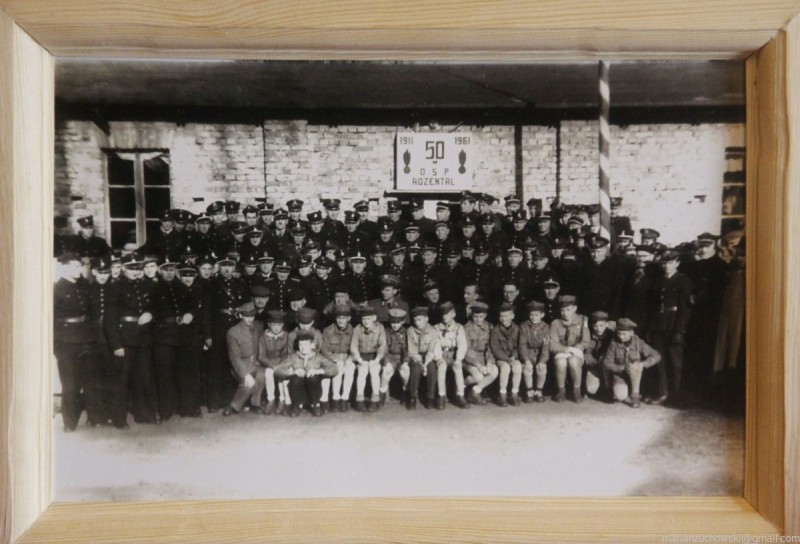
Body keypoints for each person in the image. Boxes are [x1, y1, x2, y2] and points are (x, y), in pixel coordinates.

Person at [105, 253, 157, 424]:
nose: (135, 271)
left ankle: (143, 415)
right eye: (131, 268)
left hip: (143, 339)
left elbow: (154, 307)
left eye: (137, 268)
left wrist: (150, 314)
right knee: (122, 380)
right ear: (124, 268)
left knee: (143, 378)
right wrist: (116, 345)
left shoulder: (145, 285)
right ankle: (119, 419)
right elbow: (110, 319)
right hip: (125, 339)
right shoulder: (115, 287)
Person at [54, 252, 94, 431]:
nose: (78, 269)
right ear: (64, 267)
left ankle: (93, 417)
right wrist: (57, 348)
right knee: (70, 384)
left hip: (85, 339)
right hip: (66, 342)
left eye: (80, 266)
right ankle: (69, 423)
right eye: (74, 266)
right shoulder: (56, 289)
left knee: (89, 380)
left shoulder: (84, 285)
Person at [151, 259, 195, 421]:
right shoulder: (155, 288)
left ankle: (185, 408)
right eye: (166, 270)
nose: (169, 273)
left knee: (184, 373)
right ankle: (165, 411)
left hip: (182, 335)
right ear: (160, 271)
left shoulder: (182, 287)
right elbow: (151, 311)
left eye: (171, 269)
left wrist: (190, 314)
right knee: (164, 375)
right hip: (163, 336)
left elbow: (192, 306)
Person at [647, 249, 692, 405]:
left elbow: (684, 308)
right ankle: (662, 393)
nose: (666, 266)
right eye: (664, 263)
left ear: (677, 263)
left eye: (670, 263)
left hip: (673, 326)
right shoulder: (658, 281)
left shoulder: (683, 280)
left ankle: (677, 395)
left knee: (675, 363)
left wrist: (679, 330)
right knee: (660, 361)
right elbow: (653, 306)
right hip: (658, 325)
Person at [275, 330, 338, 417]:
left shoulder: (317, 357)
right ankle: (297, 405)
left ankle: (315, 405)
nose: (303, 347)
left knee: (313, 378)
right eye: (300, 345)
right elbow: (277, 370)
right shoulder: (294, 357)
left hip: (313, 390)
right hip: (299, 391)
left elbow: (334, 368)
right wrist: (292, 372)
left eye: (305, 344)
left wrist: (318, 371)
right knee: (295, 379)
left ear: (312, 345)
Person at [602, 318, 661, 408]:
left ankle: (635, 396)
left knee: (635, 366)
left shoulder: (638, 343)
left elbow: (657, 355)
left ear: (631, 333)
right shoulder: (614, 343)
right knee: (620, 395)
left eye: (624, 334)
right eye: (619, 333)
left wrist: (643, 364)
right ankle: (622, 391)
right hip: (621, 375)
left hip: (636, 375)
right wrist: (622, 368)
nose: (621, 337)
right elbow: (607, 362)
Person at [223, 302, 267, 416]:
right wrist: (245, 374)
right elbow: (234, 357)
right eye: (247, 316)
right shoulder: (233, 332)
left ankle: (256, 404)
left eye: (252, 316)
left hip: (256, 364)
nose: (250, 319)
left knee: (262, 375)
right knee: (248, 384)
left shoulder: (258, 326)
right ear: (240, 315)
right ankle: (234, 406)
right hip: (241, 364)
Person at [549, 295, 590, 403]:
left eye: (568, 310)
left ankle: (577, 390)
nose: (565, 313)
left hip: (577, 353)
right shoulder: (555, 323)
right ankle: (561, 390)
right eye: (562, 310)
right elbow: (553, 345)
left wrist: (576, 349)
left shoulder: (582, 320)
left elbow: (585, 341)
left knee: (573, 361)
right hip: (562, 352)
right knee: (561, 362)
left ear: (575, 308)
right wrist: (568, 349)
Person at [349, 306, 388, 412]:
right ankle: (360, 399)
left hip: (375, 356)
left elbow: (382, 345)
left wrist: (377, 359)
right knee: (362, 372)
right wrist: (359, 360)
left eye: (368, 319)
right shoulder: (357, 329)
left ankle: (375, 399)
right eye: (363, 319)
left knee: (374, 371)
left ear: (374, 318)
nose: (366, 322)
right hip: (362, 356)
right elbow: (353, 346)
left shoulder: (380, 328)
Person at [406, 306, 444, 409]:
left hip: (428, 356)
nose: (417, 323)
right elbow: (412, 350)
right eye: (415, 320)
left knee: (431, 368)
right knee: (416, 368)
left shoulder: (432, 331)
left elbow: (431, 350)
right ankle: (412, 397)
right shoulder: (410, 331)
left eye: (419, 320)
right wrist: (420, 363)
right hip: (415, 356)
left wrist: (426, 364)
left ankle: (430, 397)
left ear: (426, 319)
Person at [320, 305, 356, 412]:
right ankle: (336, 398)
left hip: (347, 358)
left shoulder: (353, 331)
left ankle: (344, 398)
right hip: (331, 358)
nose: (341, 321)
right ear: (335, 319)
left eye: (344, 318)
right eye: (339, 318)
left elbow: (355, 348)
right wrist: (333, 359)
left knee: (350, 369)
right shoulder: (328, 330)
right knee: (338, 369)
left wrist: (349, 359)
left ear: (348, 318)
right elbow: (324, 348)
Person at [434, 302, 470, 409]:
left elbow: (462, 345)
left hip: (454, 354)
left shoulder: (459, 327)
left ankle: (460, 395)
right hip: (442, 354)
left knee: (458, 367)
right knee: (441, 367)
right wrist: (439, 358)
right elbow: (435, 345)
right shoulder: (436, 328)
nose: (444, 316)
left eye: (447, 314)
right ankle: (441, 396)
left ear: (453, 314)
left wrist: (458, 359)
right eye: (443, 314)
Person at [463, 302, 498, 405]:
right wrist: (478, 365)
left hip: (484, 358)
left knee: (494, 372)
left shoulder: (489, 327)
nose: (478, 319)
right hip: (469, 360)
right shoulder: (466, 328)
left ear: (485, 316)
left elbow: (491, 347)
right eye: (475, 317)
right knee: (479, 377)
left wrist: (489, 363)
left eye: (481, 317)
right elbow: (467, 350)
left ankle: (475, 391)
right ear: (472, 316)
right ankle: (460, 385)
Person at [257, 310, 290, 415]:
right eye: (274, 325)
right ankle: (270, 400)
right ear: (269, 324)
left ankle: (282, 400)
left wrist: (282, 365)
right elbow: (261, 356)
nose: (276, 328)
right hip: (269, 363)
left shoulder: (286, 336)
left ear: (282, 325)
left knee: (283, 376)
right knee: (268, 374)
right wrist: (271, 365)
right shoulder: (263, 337)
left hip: (283, 363)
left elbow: (288, 353)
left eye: (279, 325)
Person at [489, 302, 522, 406]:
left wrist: (514, 356)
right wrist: (506, 359)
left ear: (512, 316)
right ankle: (502, 395)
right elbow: (495, 349)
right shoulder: (495, 330)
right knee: (505, 368)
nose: (503, 319)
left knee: (518, 367)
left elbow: (520, 346)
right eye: (501, 316)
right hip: (501, 359)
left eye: (506, 316)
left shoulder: (517, 329)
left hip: (513, 357)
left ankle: (514, 394)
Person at [518, 300, 550, 403]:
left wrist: (542, 361)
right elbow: (522, 345)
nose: (533, 317)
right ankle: (529, 391)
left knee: (542, 368)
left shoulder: (545, 327)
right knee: (527, 368)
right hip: (528, 353)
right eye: (531, 315)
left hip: (540, 353)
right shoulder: (524, 326)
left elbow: (546, 346)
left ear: (542, 315)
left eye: (536, 315)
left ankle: (539, 391)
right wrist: (526, 360)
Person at [584, 311, 614, 400]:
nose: (598, 329)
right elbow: (586, 353)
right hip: (594, 366)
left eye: (601, 325)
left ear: (607, 324)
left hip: (607, 367)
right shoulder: (588, 334)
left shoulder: (611, 335)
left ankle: (608, 389)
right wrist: (594, 362)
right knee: (591, 389)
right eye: (595, 326)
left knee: (605, 361)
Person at [384, 308, 411, 407]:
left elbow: (407, 349)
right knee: (385, 372)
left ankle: (405, 392)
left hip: (401, 358)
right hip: (389, 357)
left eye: (397, 323)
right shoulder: (386, 332)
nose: (394, 325)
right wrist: (386, 361)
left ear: (403, 321)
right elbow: (384, 349)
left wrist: (405, 362)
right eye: (392, 322)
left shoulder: (406, 332)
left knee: (405, 372)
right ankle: (384, 394)